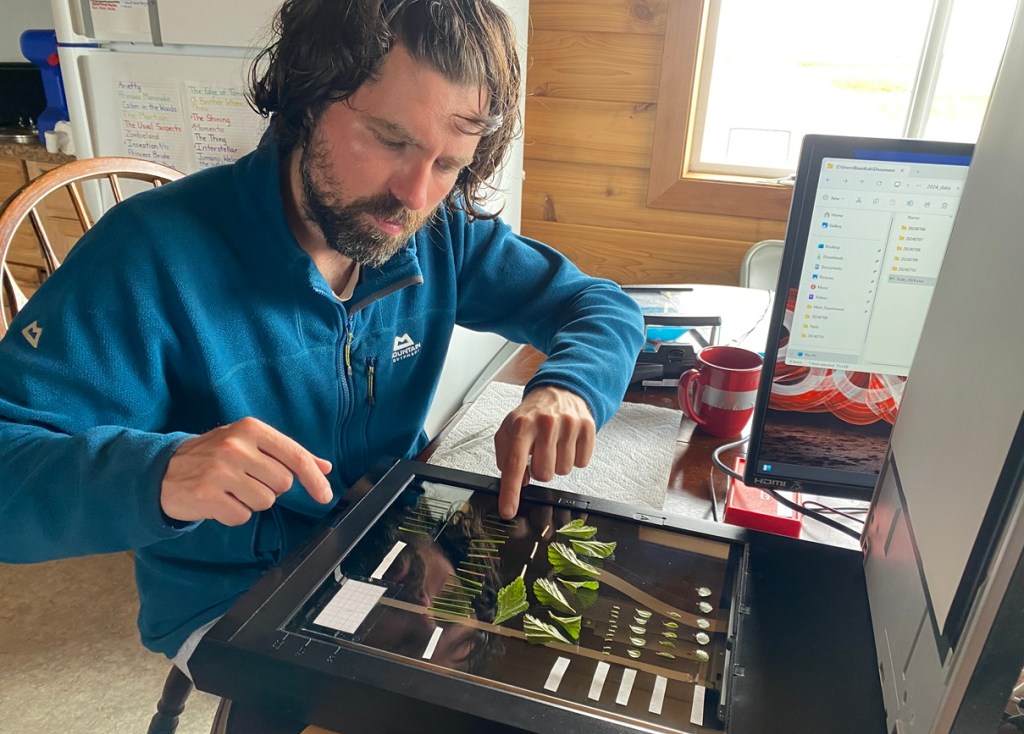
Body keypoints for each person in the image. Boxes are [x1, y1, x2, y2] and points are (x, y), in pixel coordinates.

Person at [0, 0, 644, 676]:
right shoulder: (146, 256)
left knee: (573, 653)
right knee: (431, 716)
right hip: (237, 596)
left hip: (396, 535)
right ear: (305, 97)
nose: (415, 195)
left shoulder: (437, 231)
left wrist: (570, 387)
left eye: (448, 163)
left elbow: (598, 306)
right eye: (391, 140)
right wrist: (159, 473)